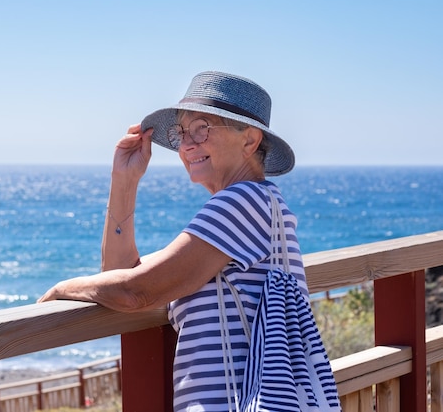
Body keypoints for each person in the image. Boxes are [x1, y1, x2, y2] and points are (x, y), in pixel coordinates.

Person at [38, 71, 340, 411]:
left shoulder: (241, 203)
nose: (186, 144)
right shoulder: (260, 204)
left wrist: (64, 288)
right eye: (181, 132)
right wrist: (125, 180)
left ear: (249, 140)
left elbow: (135, 291)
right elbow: (120, 274)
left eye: (202, 128)